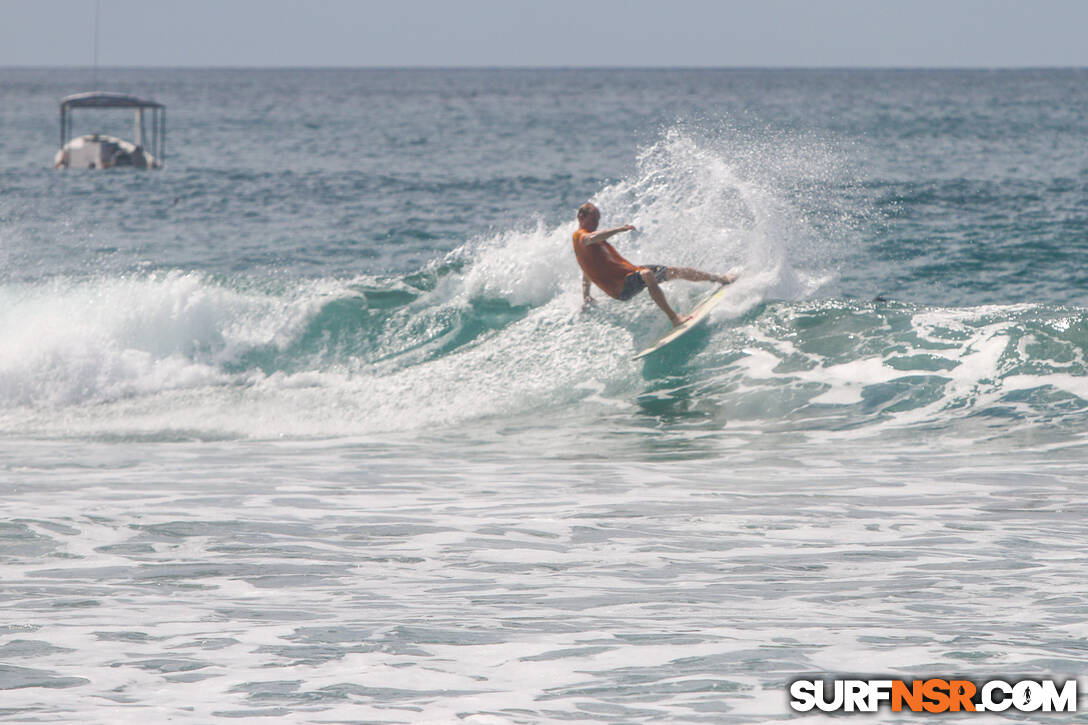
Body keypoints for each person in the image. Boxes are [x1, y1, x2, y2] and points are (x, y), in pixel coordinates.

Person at [573, 202, 736, 326]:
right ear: (581, 217)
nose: (596, 222)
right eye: (593, 218)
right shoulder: (581, 236)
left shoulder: (588, 248)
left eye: (598, 219)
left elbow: (587, 269)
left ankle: (719, 278)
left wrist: (586, 296)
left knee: (673, 271)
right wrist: (620, 229)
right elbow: (591, 238)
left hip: (629, 274)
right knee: (647, 274)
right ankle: (675, 318)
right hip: (621, 287)